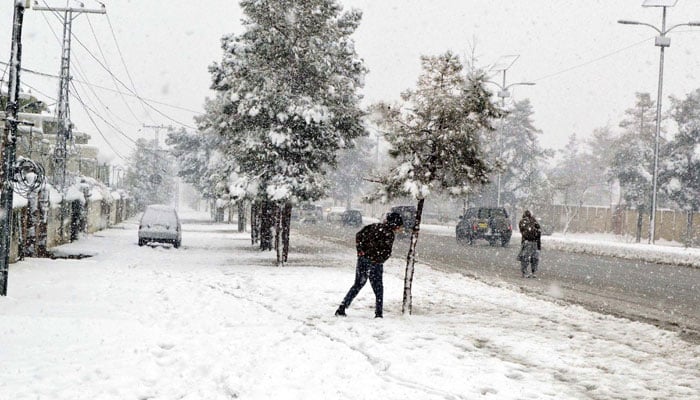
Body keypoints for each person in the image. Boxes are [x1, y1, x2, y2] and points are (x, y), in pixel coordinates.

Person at [334, 212, 404, 318]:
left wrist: (360, 251)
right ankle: (378, 313)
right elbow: (386, 251)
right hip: (376, 263)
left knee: (358, 284)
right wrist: (380, 260)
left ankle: (342, 308)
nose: (399, 229)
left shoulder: (374, 226)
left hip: (363, 260)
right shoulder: (388, 234)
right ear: (394, 224)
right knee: (378, 289)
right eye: (398, 226)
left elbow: (359, 235)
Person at [518, 210, 542, 278]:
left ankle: (525, 272)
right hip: (533, 242)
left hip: (527, 242)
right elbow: (539, 232)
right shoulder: (533, 221)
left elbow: (522, 230)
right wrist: (538, 245)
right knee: (533, 258)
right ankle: (532, 272)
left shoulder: (523, 221)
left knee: (526, 258)